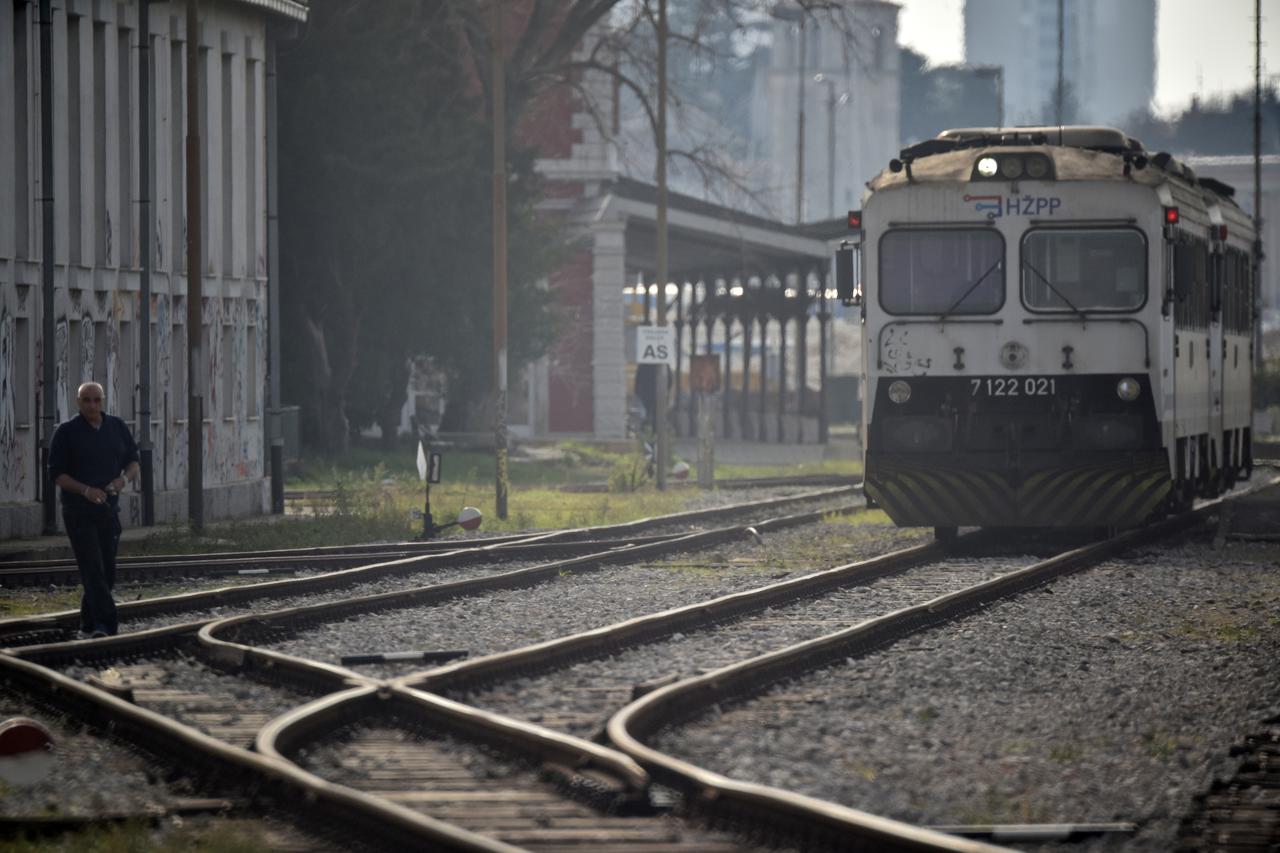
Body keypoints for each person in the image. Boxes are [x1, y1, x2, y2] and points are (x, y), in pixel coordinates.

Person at [48, 382, 139, 638]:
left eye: (96, 400)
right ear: (78, 402)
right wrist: (86, 490)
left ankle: (87, 624)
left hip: (108, 510)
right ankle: (106, 627)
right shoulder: (66, 432)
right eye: (86, 400)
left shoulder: (116, 427)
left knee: (107, 572)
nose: (92, 405)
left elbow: (133, 461)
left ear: (103, 401)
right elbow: (57, 474)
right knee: (92, 568)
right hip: (78, 512)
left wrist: (123, 480)